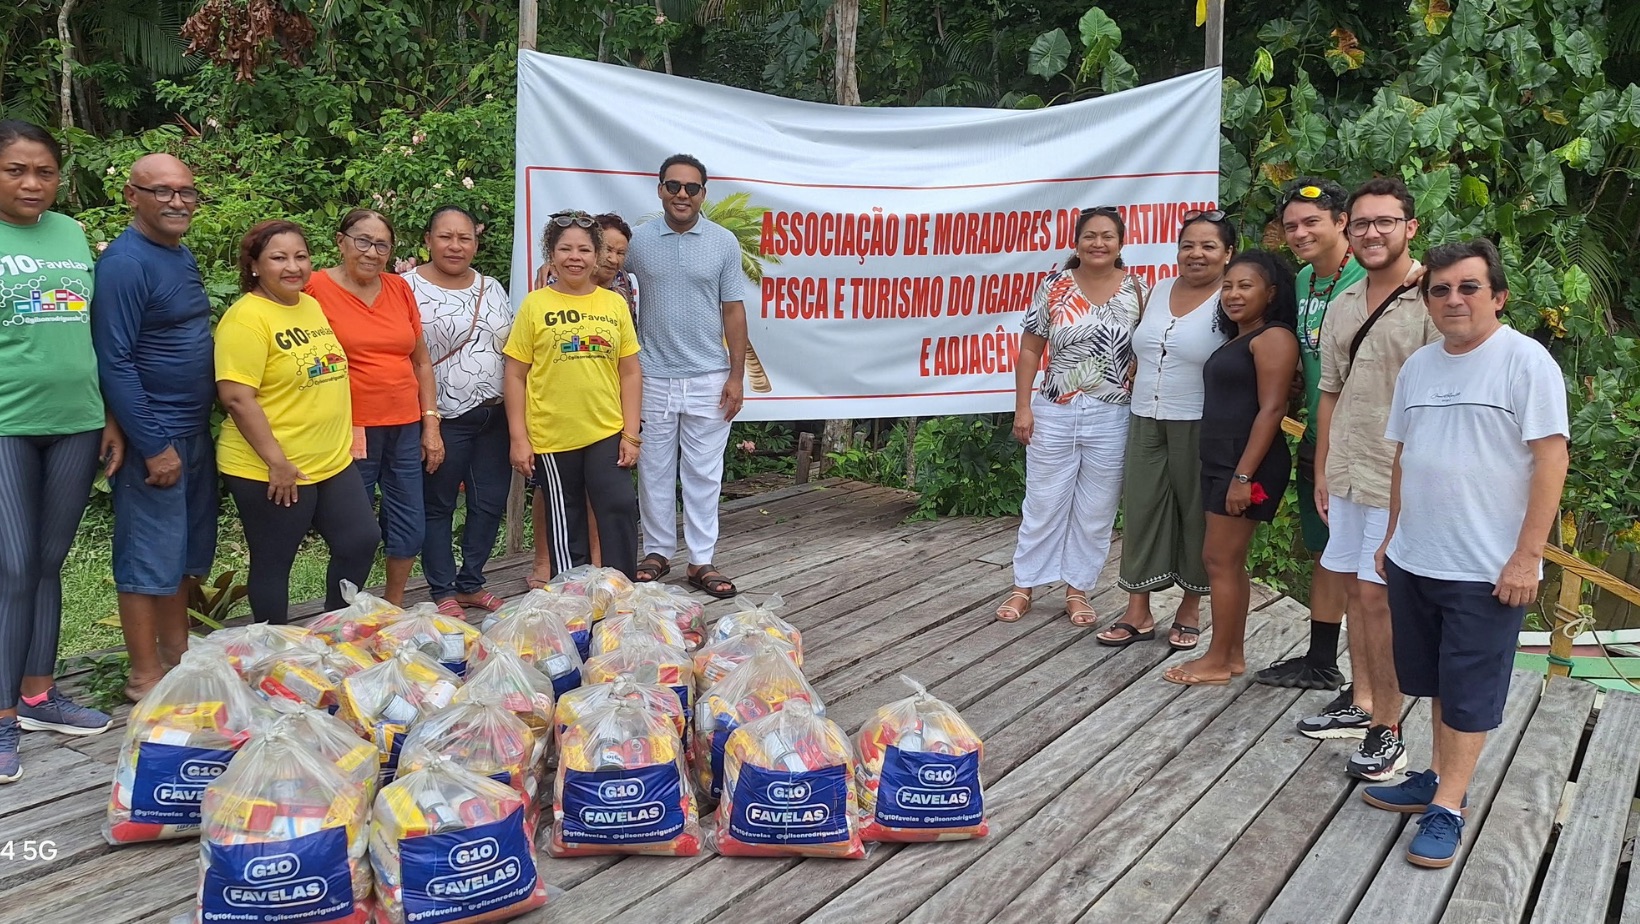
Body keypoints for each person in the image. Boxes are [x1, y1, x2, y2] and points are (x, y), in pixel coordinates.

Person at [1361, 238, 1568, 869]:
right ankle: (1434, 774)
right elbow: (1405, 456)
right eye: (1441, 289)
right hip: (1417, 558)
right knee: (1437, 680)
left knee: (1470, 689)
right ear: (1427, 301)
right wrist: (1392, 537)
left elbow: (1551, 458)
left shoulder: (1524, 361)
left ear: (1497, 297)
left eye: (1468, 287)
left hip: (1486, 568)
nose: (1453, 299)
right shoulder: (1421, 366)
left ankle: (1448, 805)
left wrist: (1526, 556)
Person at [1296, 178, 1439, 784]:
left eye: (1386, 221)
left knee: (1379, 598)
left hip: (1396, 476)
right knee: (1356, 591)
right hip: (1348, 470)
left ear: (1410, 228)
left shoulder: (1432, 298)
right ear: (1348, 234)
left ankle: (1390, 727)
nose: (1373, 232)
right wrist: (1325, 467)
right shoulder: (1346, 303)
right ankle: (1360, 702)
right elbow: (1330, 392)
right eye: (1362, 223)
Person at [0, 119, 124, 783]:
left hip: (75, 421)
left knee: (48, 560)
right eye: (16, 169)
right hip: (7, 426)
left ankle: (39, 695)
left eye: (43, 171)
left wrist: (107, 414)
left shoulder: (72, 233)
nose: (31, 182)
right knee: (15, 565)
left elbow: (88, 331)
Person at [89, 154, 217, 702]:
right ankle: (145, 676)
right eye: (161, 191)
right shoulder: (125, 262)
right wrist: (151, 441)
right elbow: (113, 358)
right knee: (147, 555)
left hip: (190, 430)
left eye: (186, 192)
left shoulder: (177, 254)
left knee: (184, 553)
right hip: (156, 433)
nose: (176, 201)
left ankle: (177, 659)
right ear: (131, 196)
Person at [217, 221, 379, 625]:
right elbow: (236, 397)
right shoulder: (246, 318)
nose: (293, 267)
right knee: (275, 559)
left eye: (300, 256)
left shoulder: (309, 305)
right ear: (254, 265)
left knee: (360, 540)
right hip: (272, 466)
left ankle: (336, 627)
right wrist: (277, 462)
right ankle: (276, 653)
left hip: (329, 460)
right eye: (279, 258)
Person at [995, 206, 1145, 628]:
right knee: (1042, 502)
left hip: (1113, 413)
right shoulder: (1055, 286)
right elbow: (1029, 350)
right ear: (1077, 242)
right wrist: (1023, 406)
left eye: (1107, 237)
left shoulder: (1139, 290)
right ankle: (1024, 585)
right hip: (1055, 410)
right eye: (1090, 236)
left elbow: (1149, 347)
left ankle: (1077, 590)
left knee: (1096, 509)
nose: (1098, 244)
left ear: (1121, 243)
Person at [1163, 250, 1298, 686]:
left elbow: (1272, 408)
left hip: (1246, 464)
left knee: (1218, 559)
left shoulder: (1273, 337)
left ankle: (1220, 658)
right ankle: (1230, 655)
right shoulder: (1241, 338)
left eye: (1246, 286)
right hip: (1223, 459)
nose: (1233, 294)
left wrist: (1243, 476)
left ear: (1271, 293)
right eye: (1228, 286)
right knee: (1226, 561)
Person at [1106, 210, 1233, 646]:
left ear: (1228, 253)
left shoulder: (1230, 299)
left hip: (1199, 422)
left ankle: (1190, 607)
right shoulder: (1159, 290)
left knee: (1194, 514)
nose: (1196, 254)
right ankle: (1137, 610)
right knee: (1141, 509)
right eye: (1188, 245)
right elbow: (1147, 346)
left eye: (1208, 246)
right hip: (1145, 417)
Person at [625, 154, 750, 597]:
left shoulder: (723, 242)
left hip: (709, 377)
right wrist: (550, 270)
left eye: (691, 188)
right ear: (659, 189)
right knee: (654, 470)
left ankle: (701, 561)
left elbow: (733, 310)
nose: (682, 194)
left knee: (703, 474)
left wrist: (736, 376)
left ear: (703, 194)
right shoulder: (636, 241)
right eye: (673, 186)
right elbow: (599, 279)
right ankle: (657, 552)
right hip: (652, 374)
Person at [1254, 179, 1363, 691]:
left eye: (1311, 222)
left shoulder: (1374, 274)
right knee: (1325, 550)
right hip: (1319, 437)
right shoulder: (1302, 280)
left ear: (1342, 221)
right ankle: (1322, 660)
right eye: (1292, 225)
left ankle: (1374, 689)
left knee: (1369, 562)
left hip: (1365, 444)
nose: (1300, 233)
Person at [307, 209, 442, 605]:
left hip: (404, 425)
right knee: (355, 532)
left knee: (409, 524)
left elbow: (421, 361)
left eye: (381, 244)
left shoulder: (398, 289)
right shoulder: (313, 288)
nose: (371, 252)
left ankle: (392, 607)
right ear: (341, 240)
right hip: (349, 428)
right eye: (362, 240)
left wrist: (430, 423)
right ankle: (344, 612)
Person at [504, 211, 642, 579]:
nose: (575, 257)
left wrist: (630, 433)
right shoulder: (535, 305)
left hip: (606, 430)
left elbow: (629, 372)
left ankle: (622, 594)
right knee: (568, 523)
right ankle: (576, 601)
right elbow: (515, 374)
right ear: (551, 255)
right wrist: (519, 438)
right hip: (553, 435)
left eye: (584, 249)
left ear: (596, 256)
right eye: (565, 248)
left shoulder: (613, 304)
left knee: (619, 506)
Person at [406, 206, 514, 617]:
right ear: (428, 240)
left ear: (476, 242)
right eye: (446, 237)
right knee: (439, 504)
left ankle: (471, 582)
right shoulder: (405, 287)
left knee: (489, 501)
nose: (456, 246)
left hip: (494, 415)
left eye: (464, 238)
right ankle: (442, 587)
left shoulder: (492, 287)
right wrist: (425, 422)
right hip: (441, 417)